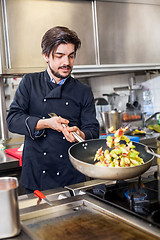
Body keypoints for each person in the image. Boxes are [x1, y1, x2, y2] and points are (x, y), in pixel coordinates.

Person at [6, 26, 99, 193]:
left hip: (71, 177)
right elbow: (13, 120)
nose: (66, 62)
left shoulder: (83, 91)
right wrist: (46, 124)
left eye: (71, 56)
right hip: (36, 177)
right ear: (46, 56)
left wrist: (80, 134)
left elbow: (93, 129)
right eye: (59, 56)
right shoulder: (30, 82)